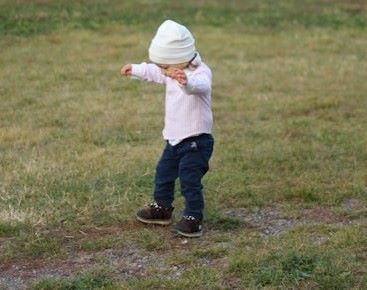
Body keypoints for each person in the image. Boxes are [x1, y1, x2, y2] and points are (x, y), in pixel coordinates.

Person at [120, 19, 214, 238]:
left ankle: (193, 218)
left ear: (179, 60)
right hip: (173, 139)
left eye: (165, 67)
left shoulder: (200, 72)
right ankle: (162, 208)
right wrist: (136, 69)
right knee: (163, 173)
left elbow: (200, 87)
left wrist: (185, 81)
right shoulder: (170, 70)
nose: (162, 71)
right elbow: (154, 71)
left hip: (196, 141)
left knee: (189, 179)